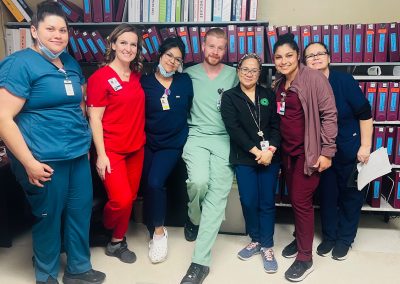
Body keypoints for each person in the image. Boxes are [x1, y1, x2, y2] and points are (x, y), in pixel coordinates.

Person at [0, 1, 106, 284]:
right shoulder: (19, 63)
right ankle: (46, 274)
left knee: (79, 212)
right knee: (47, 217)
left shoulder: (69, 62)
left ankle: (79, 268)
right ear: (34, 31)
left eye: (63, 29)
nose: (58, 35)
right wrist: (29, 163)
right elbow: (3, 118)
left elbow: (77, 107)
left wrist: (84, 146)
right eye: (50, 29)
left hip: (76, 156)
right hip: (43, 159)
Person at [272, 33, 338, 282]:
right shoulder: (280, 83)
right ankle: (301, 241)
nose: (283, 60)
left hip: (308, 153)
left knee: (301, 201)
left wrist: (327, 151)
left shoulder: (313, 78)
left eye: (288, 55)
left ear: (298, 55)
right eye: (278, 57)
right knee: (295, 201)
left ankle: (305, 257)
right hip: (288, 154)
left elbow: (329, 115)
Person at [303, 42, 373, 260]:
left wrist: (365, 146)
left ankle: (345, 239)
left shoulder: (344, 81)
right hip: (322, 152)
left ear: (329, 57)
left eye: (319, 54)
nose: (315, 58)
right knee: (327, 196)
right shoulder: (304, 85)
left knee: (351, 196)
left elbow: (365, 113)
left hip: (349, 149)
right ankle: (330, 237)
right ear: (304, 63)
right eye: (310, 56)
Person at [180, 28, 239, 284]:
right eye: (211, 46)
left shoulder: (234, 75)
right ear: (203, 46)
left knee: (217, 194)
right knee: (199, 182)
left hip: (224, 139)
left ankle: (200, 262)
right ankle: (193, 216)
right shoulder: (188, 75)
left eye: (220, 48)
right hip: (196, 136)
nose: (215, 52)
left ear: (225, 50)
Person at [86, 24, 145, 264]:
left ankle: (116, 241)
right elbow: (95, 118)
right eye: (123, 42)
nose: (128, 48)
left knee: (129, 199)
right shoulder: (99, 78)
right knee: (120, 200)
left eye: (133, 44)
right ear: (112, 44)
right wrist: (101, 155)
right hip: (111, 150)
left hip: (136, 148)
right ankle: (102, 225)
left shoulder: (137, 75)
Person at [220, 53, 281, 273]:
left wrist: (270, 150)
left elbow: (276, 124)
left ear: (259, 73)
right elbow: (233, 129)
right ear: (238, 71)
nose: (249, 73)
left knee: (266, 201)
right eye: (245, 69)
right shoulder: (229, 97)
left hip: (269, 157)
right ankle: (255, 238)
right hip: (245, 157)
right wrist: (257, 152)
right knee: (248, 200)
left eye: (254, 70)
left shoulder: (268, 94)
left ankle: (267, 245)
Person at [140, 37, 193, 263]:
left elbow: (189, 107)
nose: (172, 62)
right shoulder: (145, 82)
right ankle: (151, 225)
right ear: (160, 54)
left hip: (172, 143)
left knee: (155, 182)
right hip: (147, 142)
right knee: (147, 185)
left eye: (178, 59)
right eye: (169, 56)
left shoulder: (184, 81)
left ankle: (159, 233)